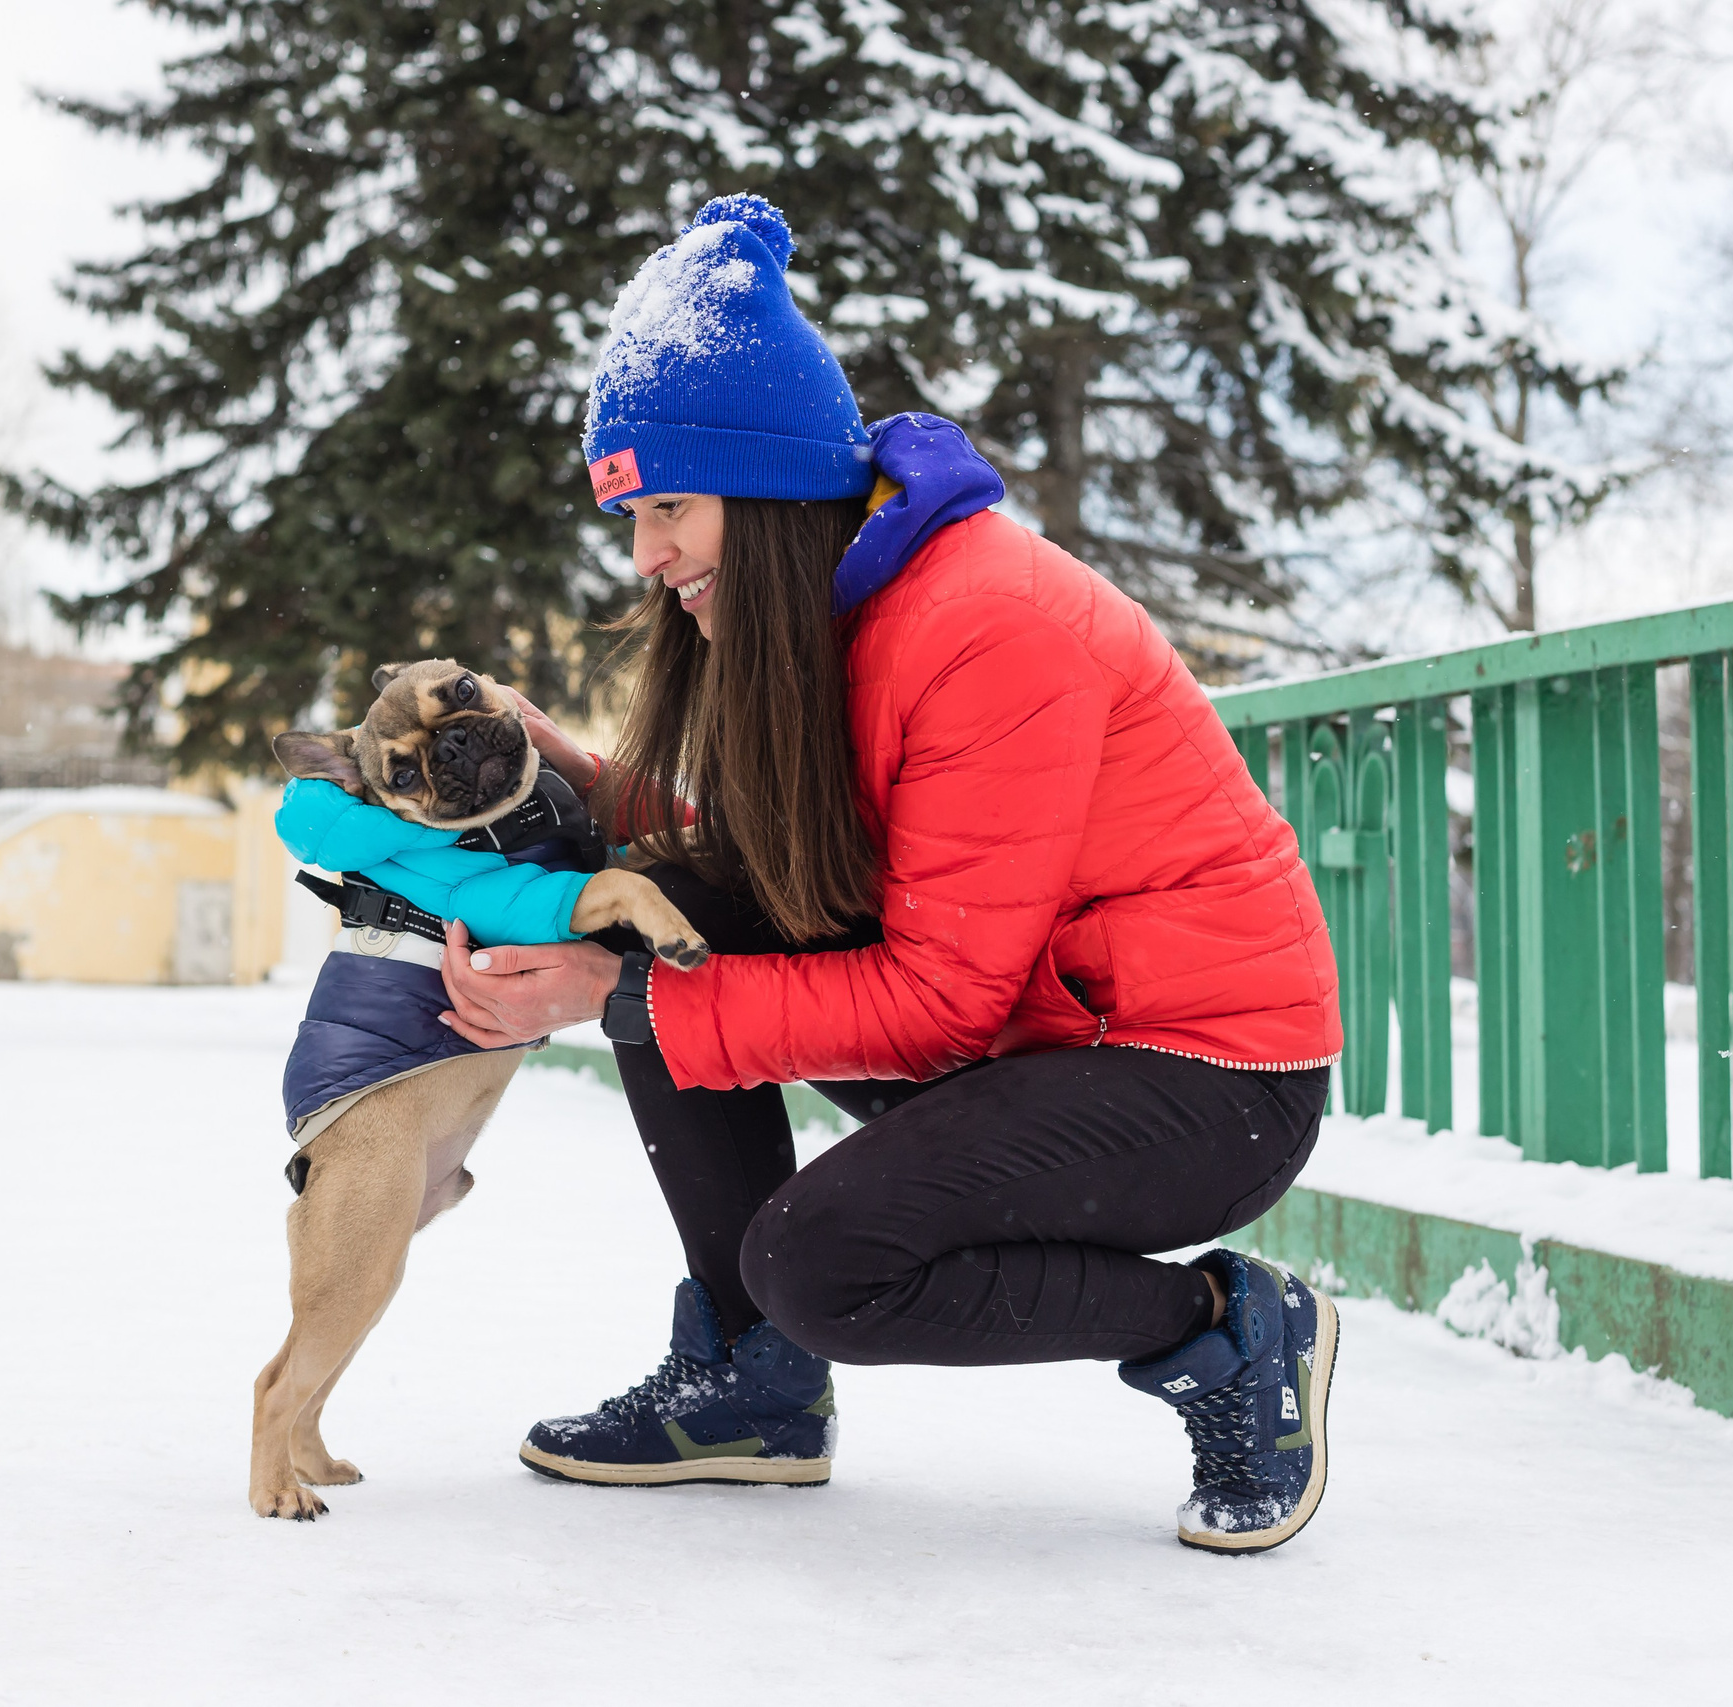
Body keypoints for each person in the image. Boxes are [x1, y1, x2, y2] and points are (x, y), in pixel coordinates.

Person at [433, 194, 1342, 1554]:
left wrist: (617, 998)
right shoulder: (831, 620)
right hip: (1040, 1033)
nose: (648, 555)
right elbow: (760, 873)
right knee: (673, 899)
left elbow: (940, 1001)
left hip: (1203, 1079)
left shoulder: (989, 626)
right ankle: (754, 1388)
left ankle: (1226, 1332)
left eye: (668, 509)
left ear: (768, 484)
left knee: (820, 1261)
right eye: (632, 517)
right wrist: (572, 775)